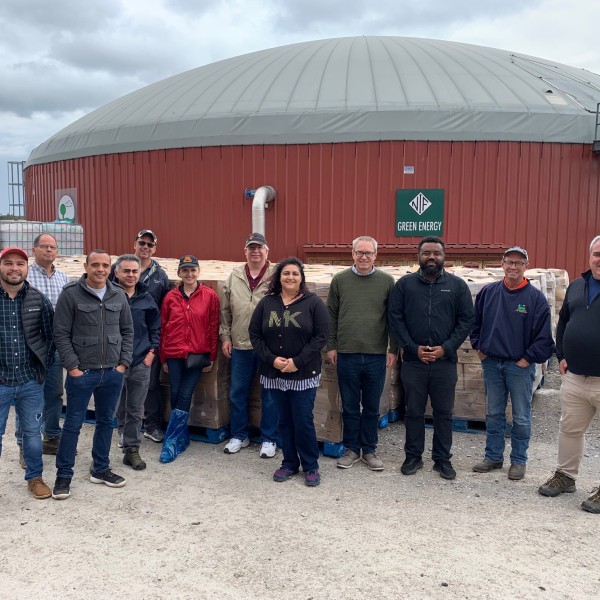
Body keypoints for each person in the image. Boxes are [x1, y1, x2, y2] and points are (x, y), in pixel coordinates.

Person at [388, 236, 474, 480]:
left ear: (444, 256)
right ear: (419, 256)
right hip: (414, 362)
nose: (432, 257)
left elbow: (466, 319)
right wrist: (412, 348)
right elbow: (396, 318)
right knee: (413, 410)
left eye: (436, 253)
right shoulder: (405, 285)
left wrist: (446, 348)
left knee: (443, 413)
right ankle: (413, 456)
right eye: (427, 253)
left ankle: (442, 460)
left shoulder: (457, 286)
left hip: (444, 363)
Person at [52, 249, 134, 500]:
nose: (100, 269)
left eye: (105, 265)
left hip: (112, 372)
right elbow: (61, 334)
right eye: (95, 264)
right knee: (73, 425)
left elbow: (128, 331)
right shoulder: (71, 294)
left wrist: (123, 364)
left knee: (106, 422)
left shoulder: (118, 294)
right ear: (86, 266)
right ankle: (63, 475)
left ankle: (100, 469)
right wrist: (73, 368)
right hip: (82, 373)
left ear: (111, 269)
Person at [471, 246, 554, 480]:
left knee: (521, 416)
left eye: (519, 263)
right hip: (491, 363)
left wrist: (526, 359)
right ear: (502, 264)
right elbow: (474, 323)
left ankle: (518, 461)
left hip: (518, 367)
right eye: (509, 262)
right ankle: (493, 457)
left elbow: (544, 338)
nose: (513, 267)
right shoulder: (489, 293)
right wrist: (479, 347)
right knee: (494, 413)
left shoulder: (535, 299)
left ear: (525, 266)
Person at [249, 257, 329, 487]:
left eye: (295, 274)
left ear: (301, 278)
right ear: (279, 277)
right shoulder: (267, 303)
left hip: (302, 373)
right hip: (274, 373)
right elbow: (255, 334)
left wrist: (298, 361)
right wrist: (271, 359)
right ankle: (289, 463)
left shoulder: (313, 303)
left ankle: (311, 465)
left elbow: (321, 337)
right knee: (284, 420)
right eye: (286, 274)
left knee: (302, 419)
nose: (290, 277)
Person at [538, 236, 600, 514]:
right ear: (589, 256)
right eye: (597, 254)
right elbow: (563, 323)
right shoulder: (577, 286)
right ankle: (566, 475)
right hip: (575, 377)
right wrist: (561, 355)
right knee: (569, 429)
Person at [326, 236, 398, 472]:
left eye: (368, 253)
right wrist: (332, 346)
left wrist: (393, 349)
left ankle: (369, 449)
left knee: (370, 405)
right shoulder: (340, 281)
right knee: (349, 404)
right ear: (352, 254)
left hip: (376, 354)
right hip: (347, 354)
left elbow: (394, 319)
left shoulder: (387, 282)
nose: (364, 257)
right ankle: (352, 449)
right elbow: (332, 316)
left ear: (376, 255)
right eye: (360, 252)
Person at [0, 247, 55, 499]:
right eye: (8, 263)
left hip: (29, 380)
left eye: (20, 264)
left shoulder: (37, 299)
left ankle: (35, 478)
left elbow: (50, 335)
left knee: (32, 433)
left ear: (26, 267)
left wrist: (41, 366)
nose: (14, 268)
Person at [220, 233, 278, 457]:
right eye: (251, 248)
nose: (255, 251)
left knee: (270, 394)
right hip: (240, 344)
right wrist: (225, 337)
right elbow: (225, 310)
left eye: (259, 247)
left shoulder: (277, 274)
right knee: (238, 392)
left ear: (267, 251)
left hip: (269, 346)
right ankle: (239, 435)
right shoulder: (234, 276)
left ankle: (269, 438)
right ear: (245, 252)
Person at [111, 229, 170, 443]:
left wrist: (154, 348)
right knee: (121, 387)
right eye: (141, 243)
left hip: (144, 343)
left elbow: (161, 313)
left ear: (154, 249)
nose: (145, 247)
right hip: (117, 343)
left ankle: (152, 426)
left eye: (149, 244)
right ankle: (122, 427)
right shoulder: (119, 268)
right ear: (135, 244)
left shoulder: (160, 276)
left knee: (151, 385)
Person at [159, 255, 219, 463]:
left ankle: (172, 440)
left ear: (198, 272)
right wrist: (163, 357)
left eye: (193, 270)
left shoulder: (209, 296)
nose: (189, 274)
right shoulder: (170, 297)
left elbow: (213, 327)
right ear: (179, 273)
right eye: (185, 270)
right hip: (174, 352)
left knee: (185, 393)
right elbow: (163, 327)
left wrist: (211, 356)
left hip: (197, 353)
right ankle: (181, 436)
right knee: (175, 392)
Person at [14, 233, 68, 466]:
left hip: (55, 347)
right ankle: (24, 447)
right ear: (33, 249)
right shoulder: (25, 276)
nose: (49, 250)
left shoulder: (64, 278)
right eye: (44, 246)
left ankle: (52, 438)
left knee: (54, 395)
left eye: (52, 247)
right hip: (31, 348)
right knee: (28, 397)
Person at [113, 254, 161, 471]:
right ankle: (117, 438)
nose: (131, 275)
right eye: (126, 271)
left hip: (141, 361)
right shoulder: (109, 295)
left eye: (134, 271)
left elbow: (155, 328)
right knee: (114, 406)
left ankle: (132, 449)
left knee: (135, 408)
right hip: (113, 363)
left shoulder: (146, 298)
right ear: (117, 273)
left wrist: (151, 352)